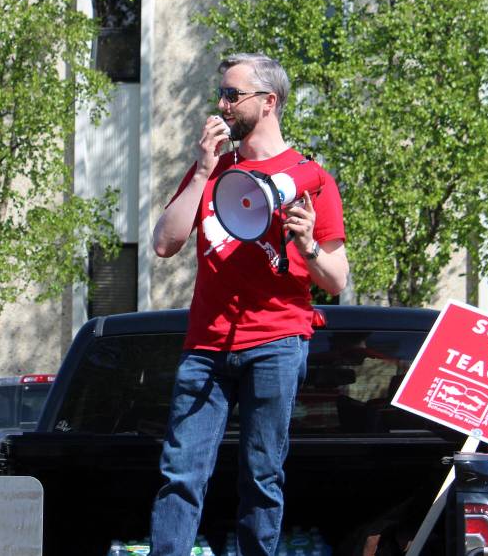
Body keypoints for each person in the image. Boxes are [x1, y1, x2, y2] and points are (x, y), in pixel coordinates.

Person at [148, 53, 349, 556]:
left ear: (268, 102)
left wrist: (308, 248)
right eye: (221, 94)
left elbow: (338, 279)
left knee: (262, 476)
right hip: (206, 346)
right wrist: (201, 172)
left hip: (277, 341)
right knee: (181, 475)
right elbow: (164, 244)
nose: (221, 105)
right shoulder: (212, 170)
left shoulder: (310, 177)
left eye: (231, 95)